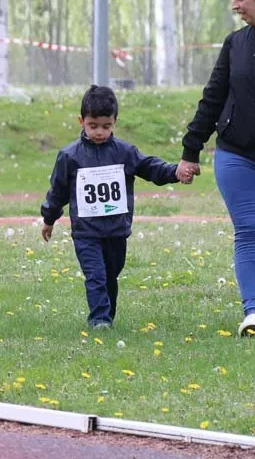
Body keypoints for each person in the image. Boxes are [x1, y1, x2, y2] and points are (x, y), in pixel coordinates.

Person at [179, 0, 255, 337]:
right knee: (251, 230)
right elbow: (213, 97)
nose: (234, 5)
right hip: (236, 154)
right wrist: (190, 150)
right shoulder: (236, 43)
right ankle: (252, 312)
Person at [41, 85, 184, 329]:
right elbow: (58, 191)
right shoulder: (69, 156)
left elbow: (150, 167)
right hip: (86, 232)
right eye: (93, 126)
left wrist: (175, 172)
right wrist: (49, 219)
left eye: (106, 126)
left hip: (116, 230)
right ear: (81, 121)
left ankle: (108, 315)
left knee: (110, 274)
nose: (99, 132)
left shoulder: (125, 152)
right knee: (95, 275)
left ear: (115, 122)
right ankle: (100, 319)